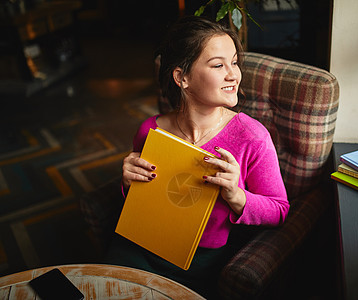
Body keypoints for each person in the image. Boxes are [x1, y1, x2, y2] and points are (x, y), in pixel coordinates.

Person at [107, 16, 290, 298]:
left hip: (198, 262)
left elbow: (279, 210)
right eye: (218, 65)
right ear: (182, 78)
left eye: (234, 62)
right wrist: (127, 183)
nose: (233, 74)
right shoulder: (151, 130)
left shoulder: (251, 137)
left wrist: (236, 195)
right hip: (136, 246)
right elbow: (139, 201)